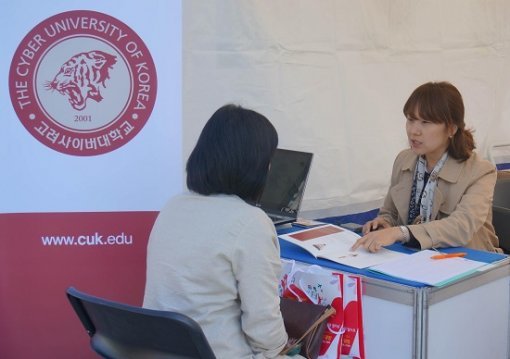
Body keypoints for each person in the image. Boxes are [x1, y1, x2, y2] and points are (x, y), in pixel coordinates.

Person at [143, 104, 301, 358]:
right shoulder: (251, 222)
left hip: (159, 350)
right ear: (255, 165)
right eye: (269, 160)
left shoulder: (173, 206)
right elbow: (264, 327)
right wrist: (285, 348)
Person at [352, 81, 501, 253]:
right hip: (415, 259)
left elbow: (461, 227)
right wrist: (383, 224)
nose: (414, 131)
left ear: (451, 128)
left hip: (469, 263)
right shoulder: (404, 160)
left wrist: (400, 232)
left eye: (425, 122)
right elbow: (390, 213)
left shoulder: (480, 171)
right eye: (410, 119)